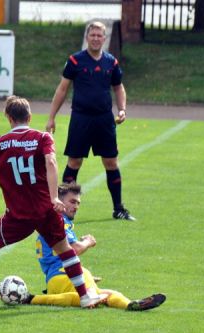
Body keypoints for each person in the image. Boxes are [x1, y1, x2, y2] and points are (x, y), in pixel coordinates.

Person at [0, 96, 107, 311]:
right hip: (45, 210)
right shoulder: (42, 138)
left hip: (17, 215)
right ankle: (85, 297)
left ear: (8, 118)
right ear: (29, 116)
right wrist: (54, 196)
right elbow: (51, 161)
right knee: (65, 250)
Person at [45, 20, 136, 221]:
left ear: (105, 38)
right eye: (92, 35)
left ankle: (118, 209)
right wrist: (51, 117)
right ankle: (64, 211)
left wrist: (122, 110)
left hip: (104, 120)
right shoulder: (75, 61)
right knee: (74, 162)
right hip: (81, 119)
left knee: (111, 162)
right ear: (87, 37)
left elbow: (119, 87)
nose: (95, 39)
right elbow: (62, 89)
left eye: (99, 35)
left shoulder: (111, 62)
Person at [29, 182, 166, 311]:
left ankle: (131, 305)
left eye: (78, 203)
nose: (76, 206)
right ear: (59, 201)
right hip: (61, 275)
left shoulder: (51, 222)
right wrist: (88, 241)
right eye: (72, 202)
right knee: (88, 296)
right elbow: (74, 249)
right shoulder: (60, 222)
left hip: (57, 279)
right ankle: (31, 299)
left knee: (108, 294)